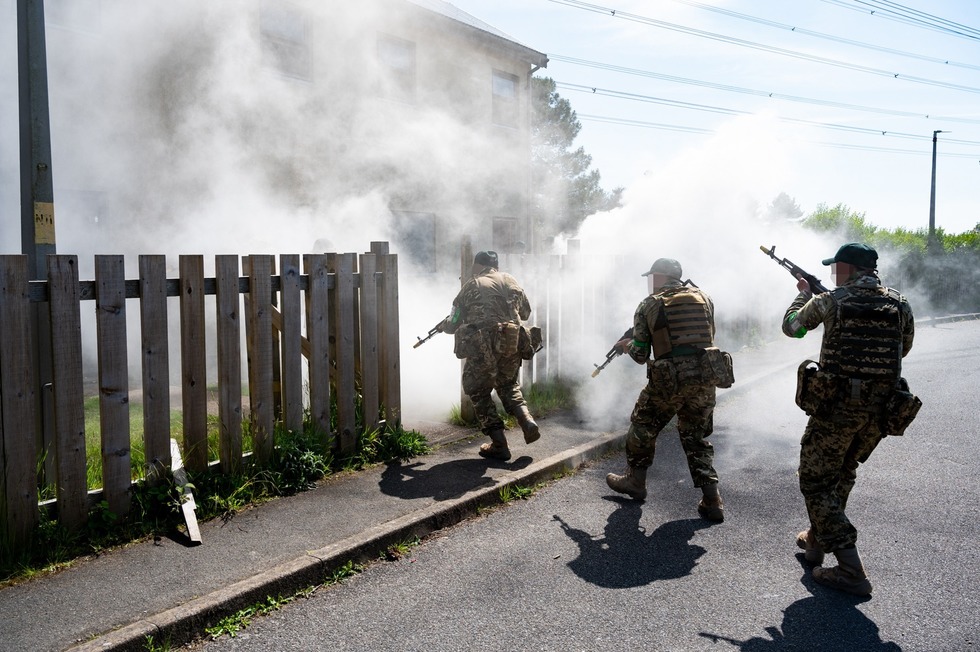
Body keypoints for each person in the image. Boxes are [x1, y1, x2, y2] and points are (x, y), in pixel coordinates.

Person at [782, 242, 915, 596]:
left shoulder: (833, 300)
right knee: (843, 471)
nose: (831, 274)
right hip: (881, 411)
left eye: (835, 267)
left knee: (814, 480)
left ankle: (850, 567)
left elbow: (793, 328)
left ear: (847, 268)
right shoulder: (899, 303)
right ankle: (816, 539)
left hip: (837, 409)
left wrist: (803, 297)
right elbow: (904, 346)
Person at [606, 257, 731, 522]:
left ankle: (635, 482)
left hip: (669, 382)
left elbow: (641, 354)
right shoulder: (704, 298)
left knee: (642, 426)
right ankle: (713, 500)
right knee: (696, 438)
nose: (650, 282)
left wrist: (627, 344)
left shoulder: (649, 304)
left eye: (652, 277)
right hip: (704, 379)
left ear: (661, 277)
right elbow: (709, 336)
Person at [440, 250, 540, 461]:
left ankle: (499, 445)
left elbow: (453, 322)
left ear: (477, 266)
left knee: (477, 390)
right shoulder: (511, 280)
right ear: (496, 265)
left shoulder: (471, 285)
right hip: (511, 343)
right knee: (508, 385)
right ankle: (527, 420)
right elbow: (525, 313)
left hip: (482, 347)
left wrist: (444, 325)